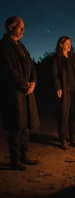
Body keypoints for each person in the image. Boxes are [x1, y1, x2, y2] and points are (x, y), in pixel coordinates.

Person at [0, 16, 40, 170]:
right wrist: (24, 84)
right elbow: (8, 70)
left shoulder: (21, 46)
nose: (23, 30)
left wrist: (33, 83)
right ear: (10, 27)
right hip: (14, 92)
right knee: (16, 125)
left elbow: (32, 66)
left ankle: (25, 155)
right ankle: (15, 159)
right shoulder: (4, 46)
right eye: (20, 27)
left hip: (26, 91)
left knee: (26, 125)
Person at [52, 36, 75, 149]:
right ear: (60, 45)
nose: (69, 45)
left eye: (70, 43)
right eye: (66, 43)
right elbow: (55, 76)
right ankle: (63, 140)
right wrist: (58, 88)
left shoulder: (73, 59)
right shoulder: (57, 59)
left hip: (74, 92)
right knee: (63, 116)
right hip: (64, 92)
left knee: (73, 116)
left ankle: (73, 139)